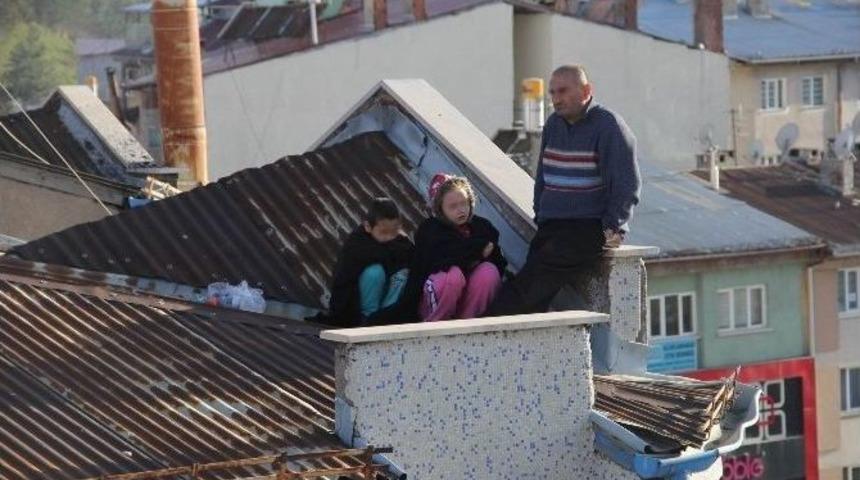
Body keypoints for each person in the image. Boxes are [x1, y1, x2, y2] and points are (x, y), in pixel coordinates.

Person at [487, 64, 640, 316]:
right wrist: (540, 212)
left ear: (586, 90)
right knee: (534, 288)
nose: (556, 99)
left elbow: (626, 183)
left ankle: (488, 323)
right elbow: (542, 177)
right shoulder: (553, 125)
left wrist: (613, 226)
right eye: (552, 93)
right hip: (552, 226)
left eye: (562, 91)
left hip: (586, 228)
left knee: (529, 285)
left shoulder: (608, 126)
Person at [406, 174, 507, 321]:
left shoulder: (482, 227)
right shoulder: (429, 229)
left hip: (465, 301)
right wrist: (477, 250)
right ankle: (435, 326)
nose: (460, 210)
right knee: (451, 275)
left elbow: (496, 257)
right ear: (440, 209)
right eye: (453, 206)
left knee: (488, 271)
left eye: (464, 203)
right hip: (431, 302)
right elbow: (442, 257)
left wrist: (473, 253)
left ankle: (469, 324)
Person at [325, 197, 414, 327]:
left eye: (393, 232)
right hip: (359, 308)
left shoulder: (400, 243)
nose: (389, 237)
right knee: (374, 272)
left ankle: (385, 319)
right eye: (384, 232)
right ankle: (368, 320)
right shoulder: (357, 244)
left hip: (388, 306)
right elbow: (343, 280)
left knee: (404, 274)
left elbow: (412, 262)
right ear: (368, 226)